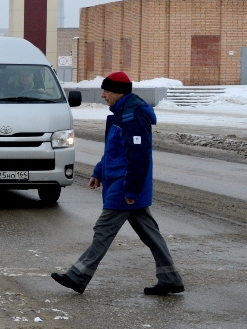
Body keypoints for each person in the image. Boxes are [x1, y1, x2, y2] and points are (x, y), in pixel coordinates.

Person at [52, 71, 185, 296]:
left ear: (118, 92)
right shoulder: (122, 113)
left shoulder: (132, 116)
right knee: (150, 234)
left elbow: (138, 156)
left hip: (125, 187)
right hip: (121, 183)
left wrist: (132, 189)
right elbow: (115, 151)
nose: (103, 95)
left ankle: (78, 275)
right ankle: (170, 278)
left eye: (106, 91)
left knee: (103, 231)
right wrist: (99, 172)